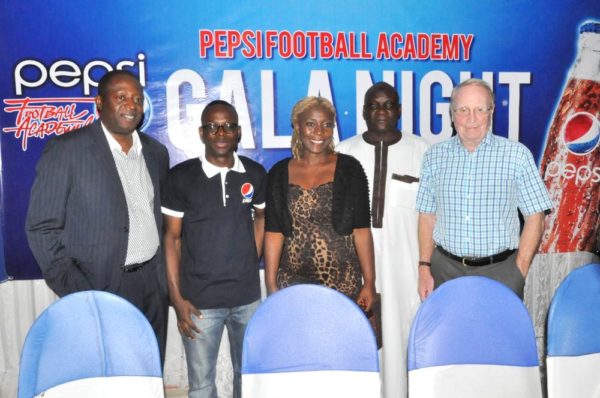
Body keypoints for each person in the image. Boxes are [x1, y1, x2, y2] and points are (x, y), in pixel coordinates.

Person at [26, 70, 170, 362]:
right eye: (121, 97)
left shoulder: (156, 152)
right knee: (107, 370)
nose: (131, 105)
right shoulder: (67, 150)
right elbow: (41, 227)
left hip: (153, 284)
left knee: (148, 365)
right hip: (99, 283)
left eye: (137, 99)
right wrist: (77, 288)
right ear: (99, 103)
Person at [162, 100, 265, 398]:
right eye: (213, 126)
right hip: (198, 302)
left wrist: (250, 256)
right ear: (202, 132)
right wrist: (176, 297)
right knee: (202, 386)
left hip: (246, 299)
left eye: (228, 126)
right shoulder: (180, 177)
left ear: (238, 132)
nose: (221, 132)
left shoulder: (255, 174)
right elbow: (171, 239)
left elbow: (262, 216)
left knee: (248, 379)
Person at [416, 78, 552, 301]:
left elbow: (535, 217)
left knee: (498, 336)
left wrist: (519, 271)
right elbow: (427, 216)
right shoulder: (434, 157)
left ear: (491, 112)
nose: (471, 118)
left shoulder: (517, 155)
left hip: (501, 272)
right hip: (445, 272)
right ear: (452, 115)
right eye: (463, 110)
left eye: (480, 109)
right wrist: (424, 267)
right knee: (450, 336)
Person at [337, 81, 430, 398]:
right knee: (359, 343)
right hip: (356, 271)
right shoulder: (343, 153)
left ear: (399, 110)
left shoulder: (422, 152)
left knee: (404, 344)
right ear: (363, 112)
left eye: (388, 104)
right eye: (373, 105)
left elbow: (432, 217)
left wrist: (425, 266)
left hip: (407, 270)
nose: (381, 111)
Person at [264, 96, 376, 315]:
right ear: (297, 126)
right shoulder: (278, 173)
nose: (319, 132)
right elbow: (274, 233)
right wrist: (270, 284)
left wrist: (369, 282)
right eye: (310, 124)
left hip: (342, 284)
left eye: (327, 125)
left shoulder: (350, 169)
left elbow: (362, 230)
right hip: (292, 286)